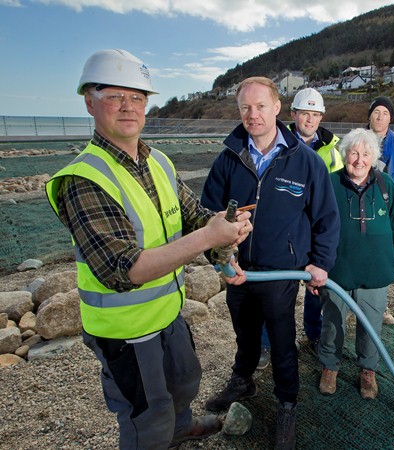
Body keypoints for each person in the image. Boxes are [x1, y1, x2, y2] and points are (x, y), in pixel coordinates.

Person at [45, 49, 252, 450]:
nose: (128, 107)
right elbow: (126, 269)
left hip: (167, 312)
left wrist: (225, 237)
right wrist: (209, 238)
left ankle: (181, 427)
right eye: (114, 96)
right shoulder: (82, 180)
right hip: (127, 331)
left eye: (137, 97)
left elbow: (193, 216)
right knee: (148, 416)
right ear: (89, 101)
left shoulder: (158, 162)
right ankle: (162, 436)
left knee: (183, 382)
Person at [200, 76, 340, 449]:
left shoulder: (305, 161)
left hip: (281, 273)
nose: (253, 114)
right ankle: (243, 380)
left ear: (278, 108)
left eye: (261, 106)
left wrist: (319, 263)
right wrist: (221, 262)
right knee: (245, 335)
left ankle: (287, 403)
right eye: (245, 107)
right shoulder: (228, 159)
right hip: (238, 274)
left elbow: (326, 218)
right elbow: (205, 218)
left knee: (281, 341)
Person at [317, 128, 394, 399]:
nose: (359, 159)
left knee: (371, 326)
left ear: (374, 157)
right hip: (336, 274)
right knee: (333, 323)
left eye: (366, 153)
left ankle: (367, 371)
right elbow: (314, 226)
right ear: (344, 154)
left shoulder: (385, 185)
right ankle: (330, 367)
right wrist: (315, 266)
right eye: (354, 153)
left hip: (376, 275)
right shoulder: (329, 184)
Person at [255, 88, 341, 370]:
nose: (310, 120)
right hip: (287, 233)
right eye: (305, 113)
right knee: (274, 295)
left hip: (313, 231)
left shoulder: (332, 150)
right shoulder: (278, 144)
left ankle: (313, 335)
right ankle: (266, 344)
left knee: (316, 289)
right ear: (293, 115)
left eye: (316, 115)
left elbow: (333, 198)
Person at [367, 96, 394, 194]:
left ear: (390, 118)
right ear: (369, 116)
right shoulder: (356, 141)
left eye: (385, 113)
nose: (380, 117)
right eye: (376, 112)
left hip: (391, 200)